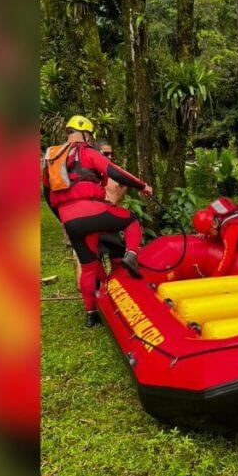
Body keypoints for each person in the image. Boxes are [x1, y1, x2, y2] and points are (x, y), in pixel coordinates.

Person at [42, 115, 154, 328]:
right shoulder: (86, 152)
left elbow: (48, 196)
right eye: (90, 135)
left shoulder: (50, 158)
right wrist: (142, 186)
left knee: (89, 268)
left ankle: (91, 314)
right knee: (132, 220)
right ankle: (132, 256)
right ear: (85, 133)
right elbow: (113, 171)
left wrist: (64, 220)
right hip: (91, 209)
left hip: (69, 219)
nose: (91, 139)